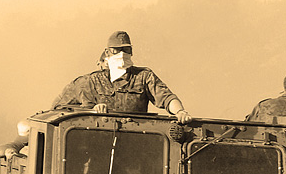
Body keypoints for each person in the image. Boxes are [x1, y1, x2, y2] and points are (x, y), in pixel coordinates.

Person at [51, 30, 192, 124]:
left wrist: (180, 112)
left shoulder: (143, 77)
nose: (122, 54)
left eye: (126, 49)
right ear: (107, 52)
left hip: (135, 144)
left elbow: (167, 98)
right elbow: (59, 108)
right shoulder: (89, 82)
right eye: (116, 50)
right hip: (97, 145)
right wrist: (91, 111)